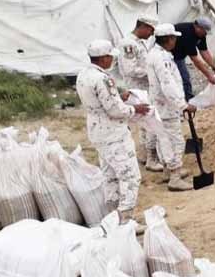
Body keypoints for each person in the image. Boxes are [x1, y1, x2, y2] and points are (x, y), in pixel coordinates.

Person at [75, 40, 150, 231]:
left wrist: (118, 95)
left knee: (110, 176)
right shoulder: (102, 79)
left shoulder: (84, 75)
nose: (112, 60)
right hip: (113, 133)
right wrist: (136, 109)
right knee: (130, 176)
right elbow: (115, 110)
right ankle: (125, 219)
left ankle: (112, 216)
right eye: (110, 57)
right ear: (103, 57)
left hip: (97, 131)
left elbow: (102, 101)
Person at [147, 23, 196, 192]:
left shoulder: (155, 54)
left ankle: (169, 171)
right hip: (167, 107)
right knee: (175, 141)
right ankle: (174, 177)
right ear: (169, 39)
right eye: (174, 38)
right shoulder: (162, 58)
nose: (175, 41)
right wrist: (183, 104)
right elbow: (168, 85)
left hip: (160, 106)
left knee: (164, 139)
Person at [119, 12, 162, 172]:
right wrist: (151, 70)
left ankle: (145, 155)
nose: (151, 34)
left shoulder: (139, 42)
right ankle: (152, 158)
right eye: (150, 30)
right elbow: (130, 70)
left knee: (145, 124)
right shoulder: (128, 44)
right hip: (139, 89)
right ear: (142, 26)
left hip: (144, 87)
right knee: (152, 123)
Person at [172, 18, 215, 100]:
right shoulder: (187, 33)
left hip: (179, 55)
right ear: (198, 27)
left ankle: (185, 98)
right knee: (184, 78)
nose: (205, 34)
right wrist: (209, 76)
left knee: (182, 77)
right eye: (205, 32)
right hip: (169, 55)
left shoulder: (201, 34)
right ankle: (187, 101)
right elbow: (195, 60)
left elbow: (204, 51)